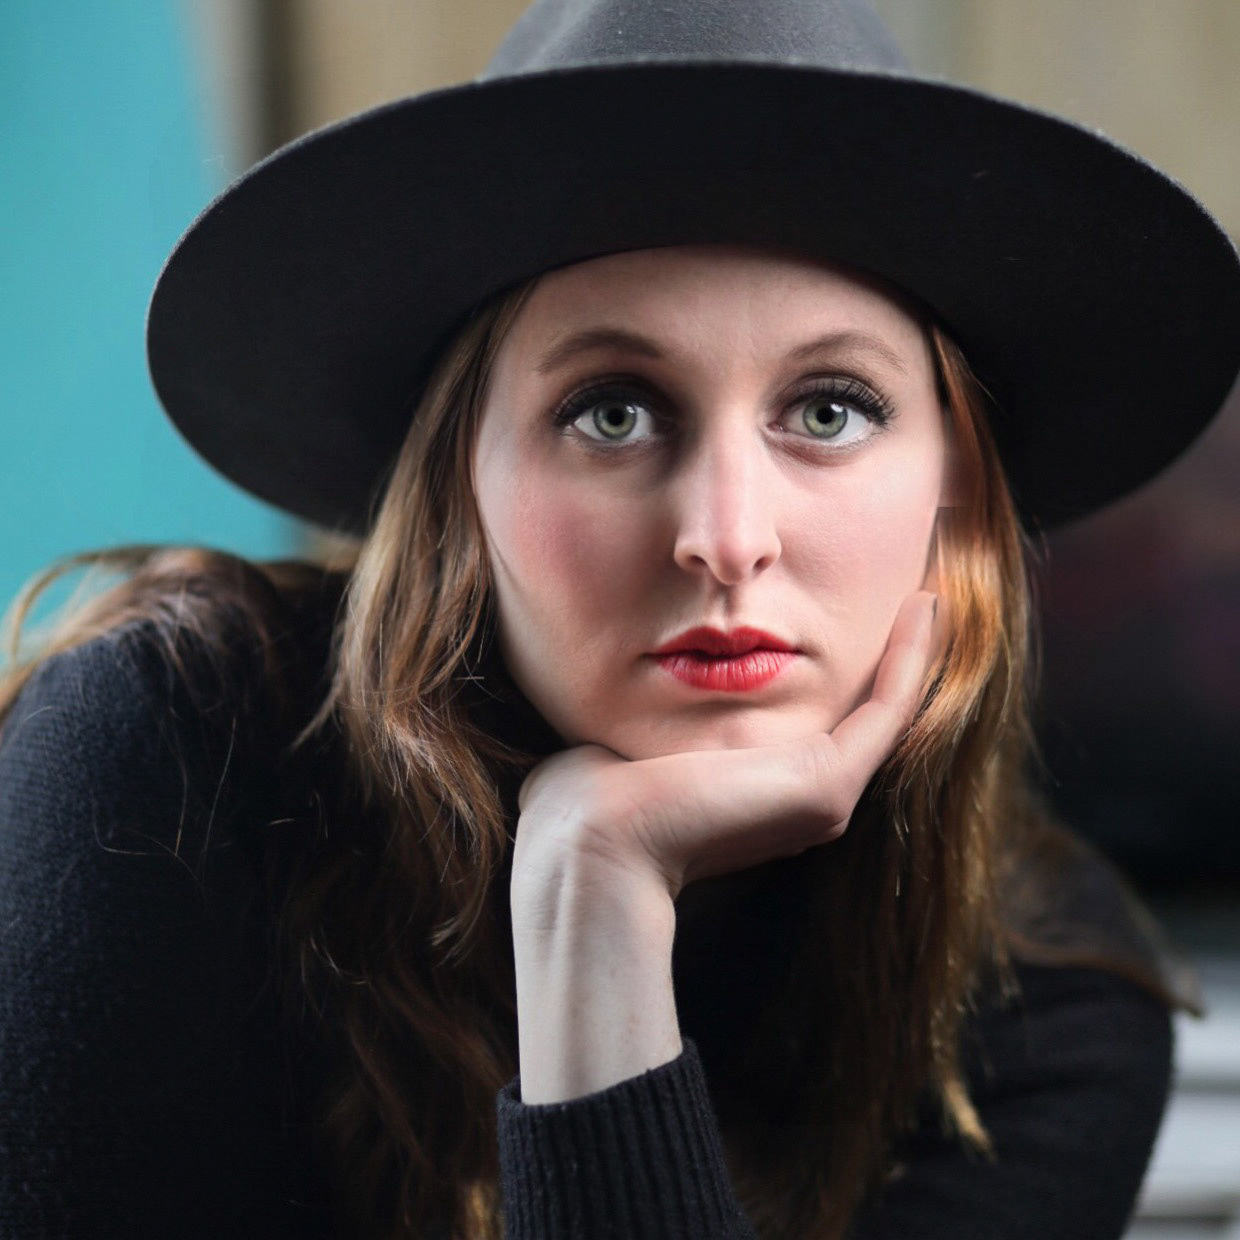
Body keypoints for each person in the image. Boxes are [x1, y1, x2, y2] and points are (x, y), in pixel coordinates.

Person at [2, 1, 1237, 1237]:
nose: (724, 535)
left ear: (955, 473)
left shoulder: (1046, 1010)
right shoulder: (162, 760)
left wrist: (597, 911)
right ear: (456, 478)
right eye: (611, 412)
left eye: (828, 410)